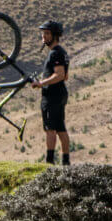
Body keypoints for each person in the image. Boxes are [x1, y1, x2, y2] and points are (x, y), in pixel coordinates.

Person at [30, 19, 70, 165]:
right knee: (60, 128)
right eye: (43, 33)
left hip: (52, 95)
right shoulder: (62, 52)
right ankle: (66, 162)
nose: (44, 36)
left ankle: (49, 162)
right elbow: (66, 76)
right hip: (60, 94)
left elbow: (60, 75)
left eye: (47, 33)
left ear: (55, 35)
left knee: (50, 129)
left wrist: (41, 83)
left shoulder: (55, 53)